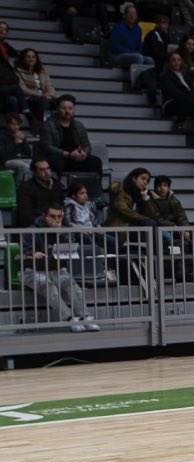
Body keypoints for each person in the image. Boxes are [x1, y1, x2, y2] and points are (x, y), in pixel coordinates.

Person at [18, 204, 100, 332]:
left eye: (59, 216)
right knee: (50, 288)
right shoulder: (30, 230)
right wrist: (32, 254)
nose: (56, 220)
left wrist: (59, 233)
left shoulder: (64, 230)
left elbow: (71, 247)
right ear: (44, 216)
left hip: (57, 270)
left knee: (73, 286)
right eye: (52, 216)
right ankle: (70, 319)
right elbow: (24, 253)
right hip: (33, 271)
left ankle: (86, 317)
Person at [38, 94, 102, 177]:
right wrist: (68, 154)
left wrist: (83, 153)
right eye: (64, 108)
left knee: (96, 161)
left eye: (70, 108)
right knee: (55, 161)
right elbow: (46, 147)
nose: (67, 111)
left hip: (75, 157)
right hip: (59, 156)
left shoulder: (79, 125)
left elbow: (87, 146)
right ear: (58, 109)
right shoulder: (48, 125)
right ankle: (57, 184)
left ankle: (91, 185)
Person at [16, 158, 65, 227]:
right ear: (34, 172)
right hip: (36, 225)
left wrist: (58, 220)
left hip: (58, 221)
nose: (47, 172)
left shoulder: (58, 186)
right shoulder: (25, 188)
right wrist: (44, 220)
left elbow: (62, 207)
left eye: (48, 168)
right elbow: (25, 216)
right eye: (42, 170)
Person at [14, 48, 55, 130]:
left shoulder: (41, 70)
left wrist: (50, 94)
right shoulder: (18, 71)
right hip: (29, 99)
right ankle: (42, 127)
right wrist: (41, 95)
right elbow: (23, 89)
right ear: (23, 59)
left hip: (45, 97)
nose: (31, 59)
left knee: (66, 100)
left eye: (33, 57)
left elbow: (49, 84)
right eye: (28, 57)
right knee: (43, 102)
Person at [108, 3, 154, 68]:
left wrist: (137, 52)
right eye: (129, 13)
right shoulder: (118, 27)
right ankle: (136, 75)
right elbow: (115, 46)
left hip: (132, 55)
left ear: (136, 16)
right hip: (117, 55)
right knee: (138, 58)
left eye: (134, 13)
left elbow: (139, 46)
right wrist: (131, 53)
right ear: (124, 15)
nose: (132, 15)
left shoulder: (138, 29)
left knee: (150, 60)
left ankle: (146, 75)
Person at [0, 112, 32, 183]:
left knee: (34, 164)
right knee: (24, 167)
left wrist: (24, 141)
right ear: (7, 125)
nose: (16, 127)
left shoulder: (19, 135)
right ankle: (20, 187)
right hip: (8, 161)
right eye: (13, 124)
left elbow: (28, 153)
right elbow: (3, 155)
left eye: (18, 124)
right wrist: (14, 142)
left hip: (22, 158)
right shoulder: (2, 136)